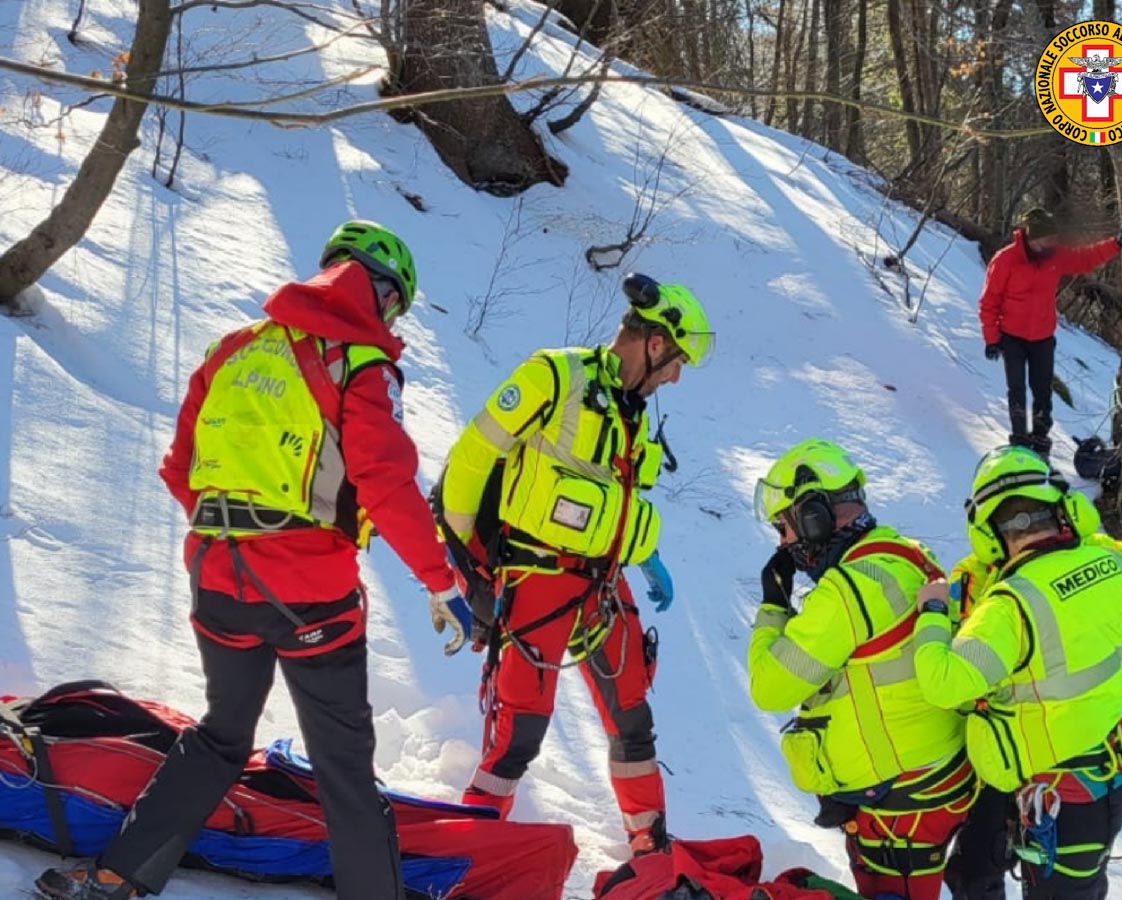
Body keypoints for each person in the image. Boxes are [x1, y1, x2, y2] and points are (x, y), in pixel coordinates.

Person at [35, 220, 469, 900]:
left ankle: (115, 878)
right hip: (309, 593)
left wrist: (239, 533)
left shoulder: (235, 349)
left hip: (217, 579)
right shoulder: (359, 363)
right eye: (394, 304)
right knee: (344, 767)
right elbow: (386, 482)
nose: (392, 318)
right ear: (380, 291)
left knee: (220, 736)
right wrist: (441, 581)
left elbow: (182, 468)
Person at [437, 272, 713, 854]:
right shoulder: (554, 377)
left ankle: (649, 848)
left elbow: (613, 504)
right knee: (520, 733)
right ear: (656, 343)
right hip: (537, 580)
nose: (678, 377)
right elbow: (469, 460)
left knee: (633, 722)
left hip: (604, 588)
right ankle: (467, 848)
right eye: (677, 360)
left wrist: (649, 554)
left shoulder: (634, 411)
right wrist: (464, 570)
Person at [914, 445, 1122, 899]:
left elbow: (943, 682)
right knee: (987, 874)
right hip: (1096, 779)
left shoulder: (1007, 607)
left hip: (1062, 797)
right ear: (1064, 507)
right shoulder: (1115, 564)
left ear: (987, 531)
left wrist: (931, 612)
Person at [748, 439, 974, 900]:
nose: (784, 543)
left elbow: (768, 687)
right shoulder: (902, 553)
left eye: (785, 528)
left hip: (900, 806)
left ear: (813, 516)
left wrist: (773, 605)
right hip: (935, 776)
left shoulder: (849, 590)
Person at [979, 208, 1122, 457]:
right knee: (1016, 388)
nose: (1052, 243)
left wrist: (1115, 244)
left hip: (1042, 337)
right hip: (1012, 335)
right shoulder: (1006, 260)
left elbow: (1085, 258)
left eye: (1053, 238)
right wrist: (992, 339)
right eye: (1047, 239)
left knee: (1042, 390)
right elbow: (989, 301)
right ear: (1031, 237)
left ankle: (1040, 437)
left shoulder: (1056, 256)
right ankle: (1019, 438)